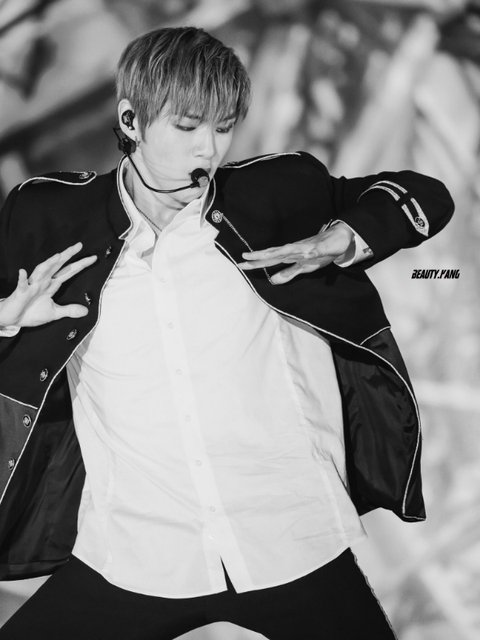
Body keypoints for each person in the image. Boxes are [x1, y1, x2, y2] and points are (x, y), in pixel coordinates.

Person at [0, 26, 453, 640]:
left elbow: (424, 196)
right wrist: (6, 316)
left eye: (223, 128)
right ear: (131, 120)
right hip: (135, 552)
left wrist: (348, 237)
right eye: (187, 127)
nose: (208, 149)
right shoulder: (48, 215)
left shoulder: (277, 193)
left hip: (290, 540)